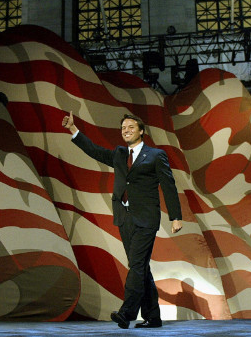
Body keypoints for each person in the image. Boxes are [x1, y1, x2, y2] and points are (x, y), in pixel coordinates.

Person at [62, 111, 183, 329]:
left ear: (141, 131)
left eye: (130, 127)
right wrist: (73, 129)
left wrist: (175, 216)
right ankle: (153, 317)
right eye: (123, 128)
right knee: (141, 268)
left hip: (146, 219)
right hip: (124, 218)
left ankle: (127, 313)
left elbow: (168, 186)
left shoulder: (156, 155)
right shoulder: (119, 153)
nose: (125, 131)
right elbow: (95, 151)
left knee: (136, 265)